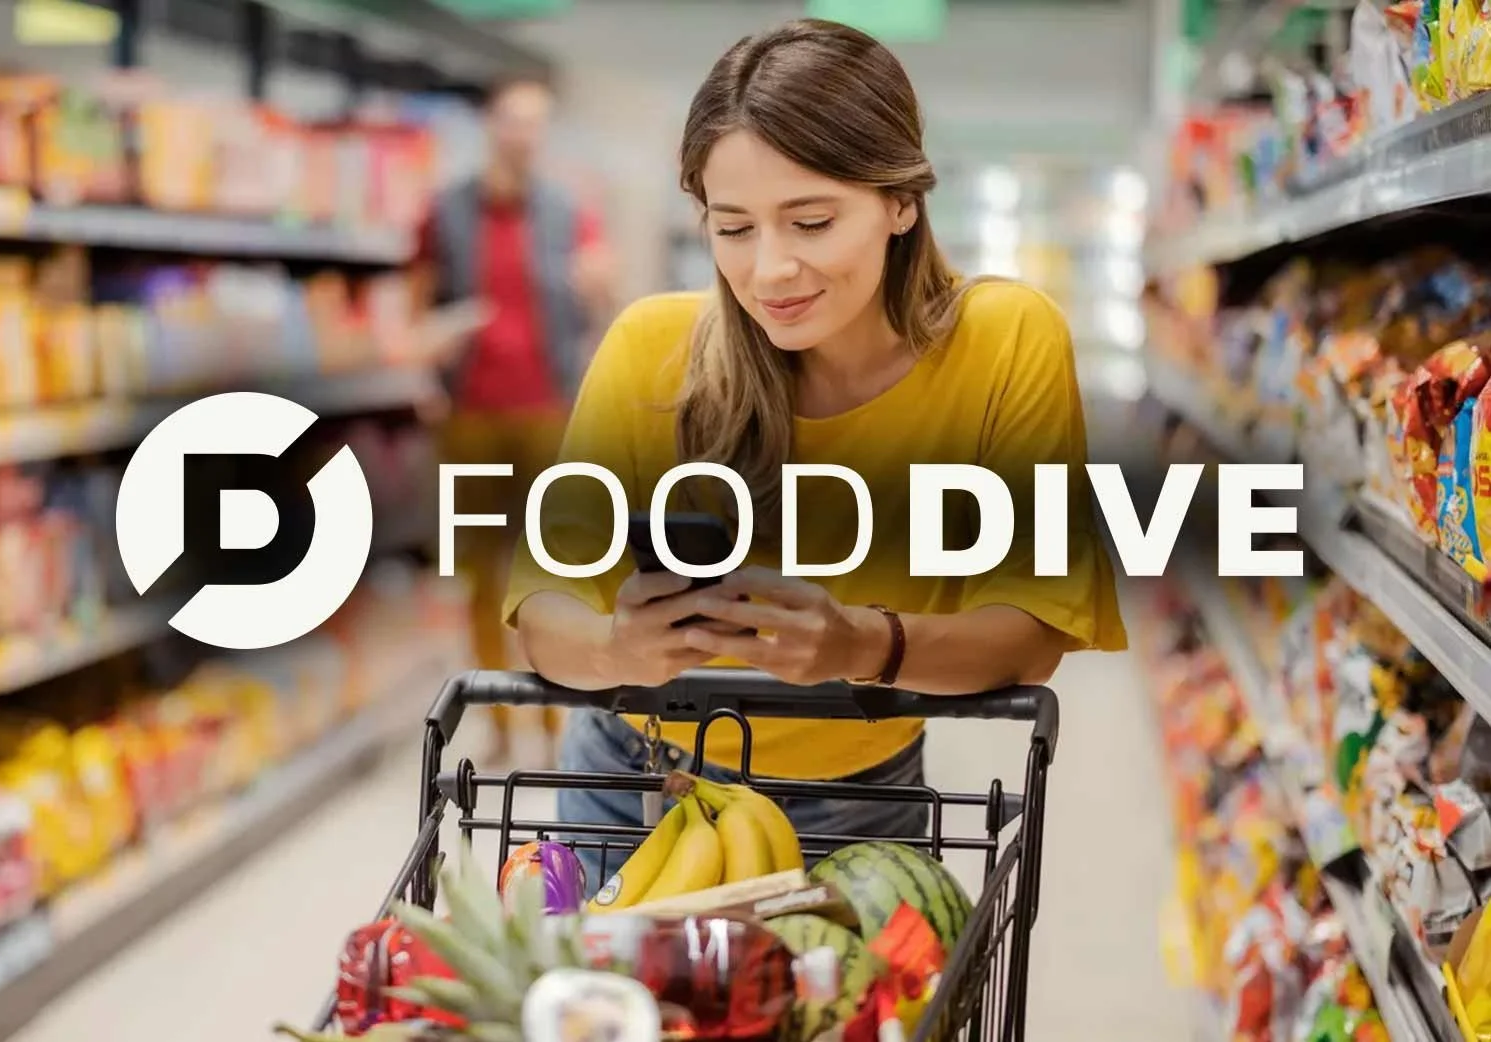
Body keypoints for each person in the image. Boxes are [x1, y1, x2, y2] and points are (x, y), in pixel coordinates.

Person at [499, 18, 1128, 892]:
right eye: (734, 229)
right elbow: (538, 608)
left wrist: (855, 644)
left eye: (810, 221)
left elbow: (1030, 637)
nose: (770, 271)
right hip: (625, 783)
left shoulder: (1004, 340)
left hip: (855, 803)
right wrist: (618, 652)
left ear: (900, 200)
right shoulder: (651, 348)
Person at [418, 74, 616, 767]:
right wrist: (426, 354)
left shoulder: (568, 211)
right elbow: (417, 303)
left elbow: (600, 297)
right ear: (490, 126)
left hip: (548, 413)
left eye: (536, 122)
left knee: (553, 572)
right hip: (470, 412)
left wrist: (599, 291)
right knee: (478, 573)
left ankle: (556, 724)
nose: (523, 135)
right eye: (512, 121)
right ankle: (496, 719)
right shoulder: (445, 211)